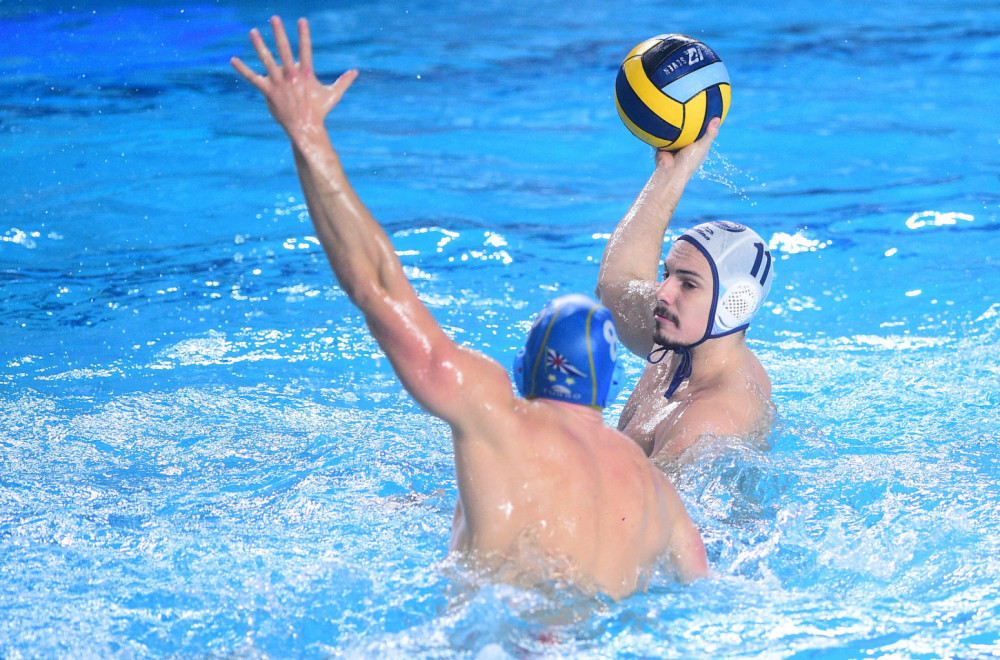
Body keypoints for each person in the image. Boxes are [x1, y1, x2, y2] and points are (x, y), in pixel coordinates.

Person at [231, 16, 707, 599]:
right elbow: (707, 587)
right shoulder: (658, 494)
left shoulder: (498, 419)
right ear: (605, 386)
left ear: (523, 369)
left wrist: (307, 132)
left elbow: (376, 286)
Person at [596, 122, 775, 466]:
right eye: (667, 274)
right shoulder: (680, 346)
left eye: (688, 284)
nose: (663, 291)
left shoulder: (704, 426)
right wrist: (671, 173)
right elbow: (615, 286)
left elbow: (630, 503)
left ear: (735, 305)